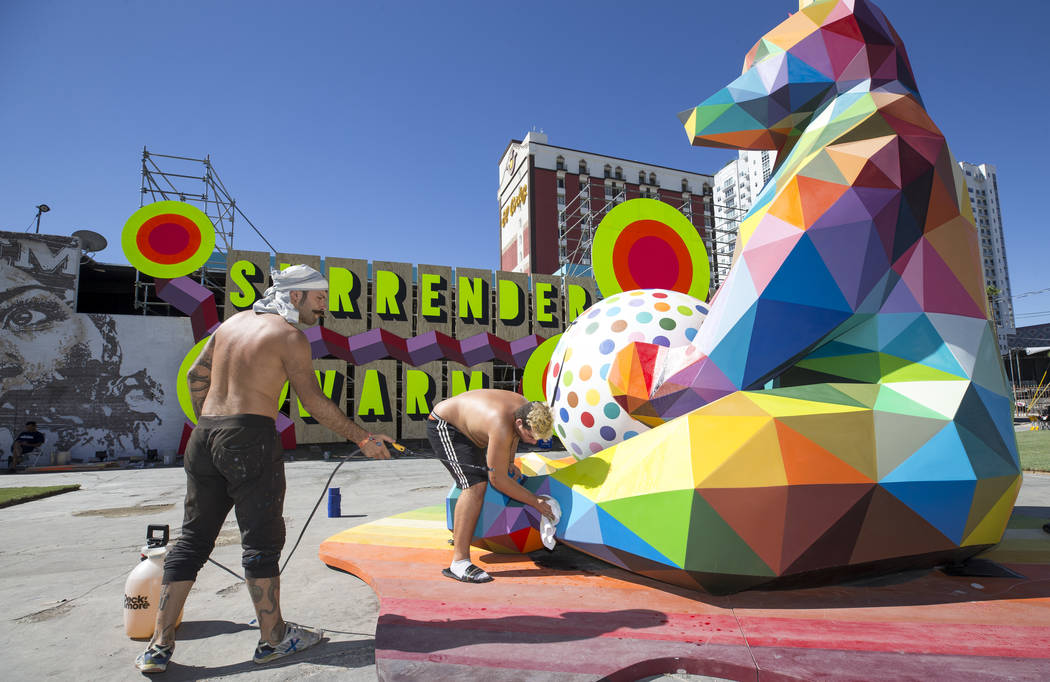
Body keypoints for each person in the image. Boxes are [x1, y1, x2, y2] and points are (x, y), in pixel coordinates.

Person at [135, 265, 393, 674]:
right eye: (319, 298)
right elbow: (312, 402)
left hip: (205, 437)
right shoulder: (290, 336)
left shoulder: (232, 324)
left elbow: (193, 375)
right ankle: (274, 639)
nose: (324, 306)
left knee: (193, 539)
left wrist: (213, 419)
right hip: (250, 437)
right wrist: (362, 437)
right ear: (295, 297)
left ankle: (158, 645)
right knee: (262, 540)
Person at [426, 389, 555, 583]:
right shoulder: (501, 425)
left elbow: (515, 435)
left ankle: (465, 531)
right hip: (445, 424)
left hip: (472, 424)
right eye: (532, 436)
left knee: (486, 477)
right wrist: (535, 501)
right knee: (474, 485)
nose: (534, 442)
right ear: (520, 423)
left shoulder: (525, 408)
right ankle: (459, 563)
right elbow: (498, 480)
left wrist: (510, 461)